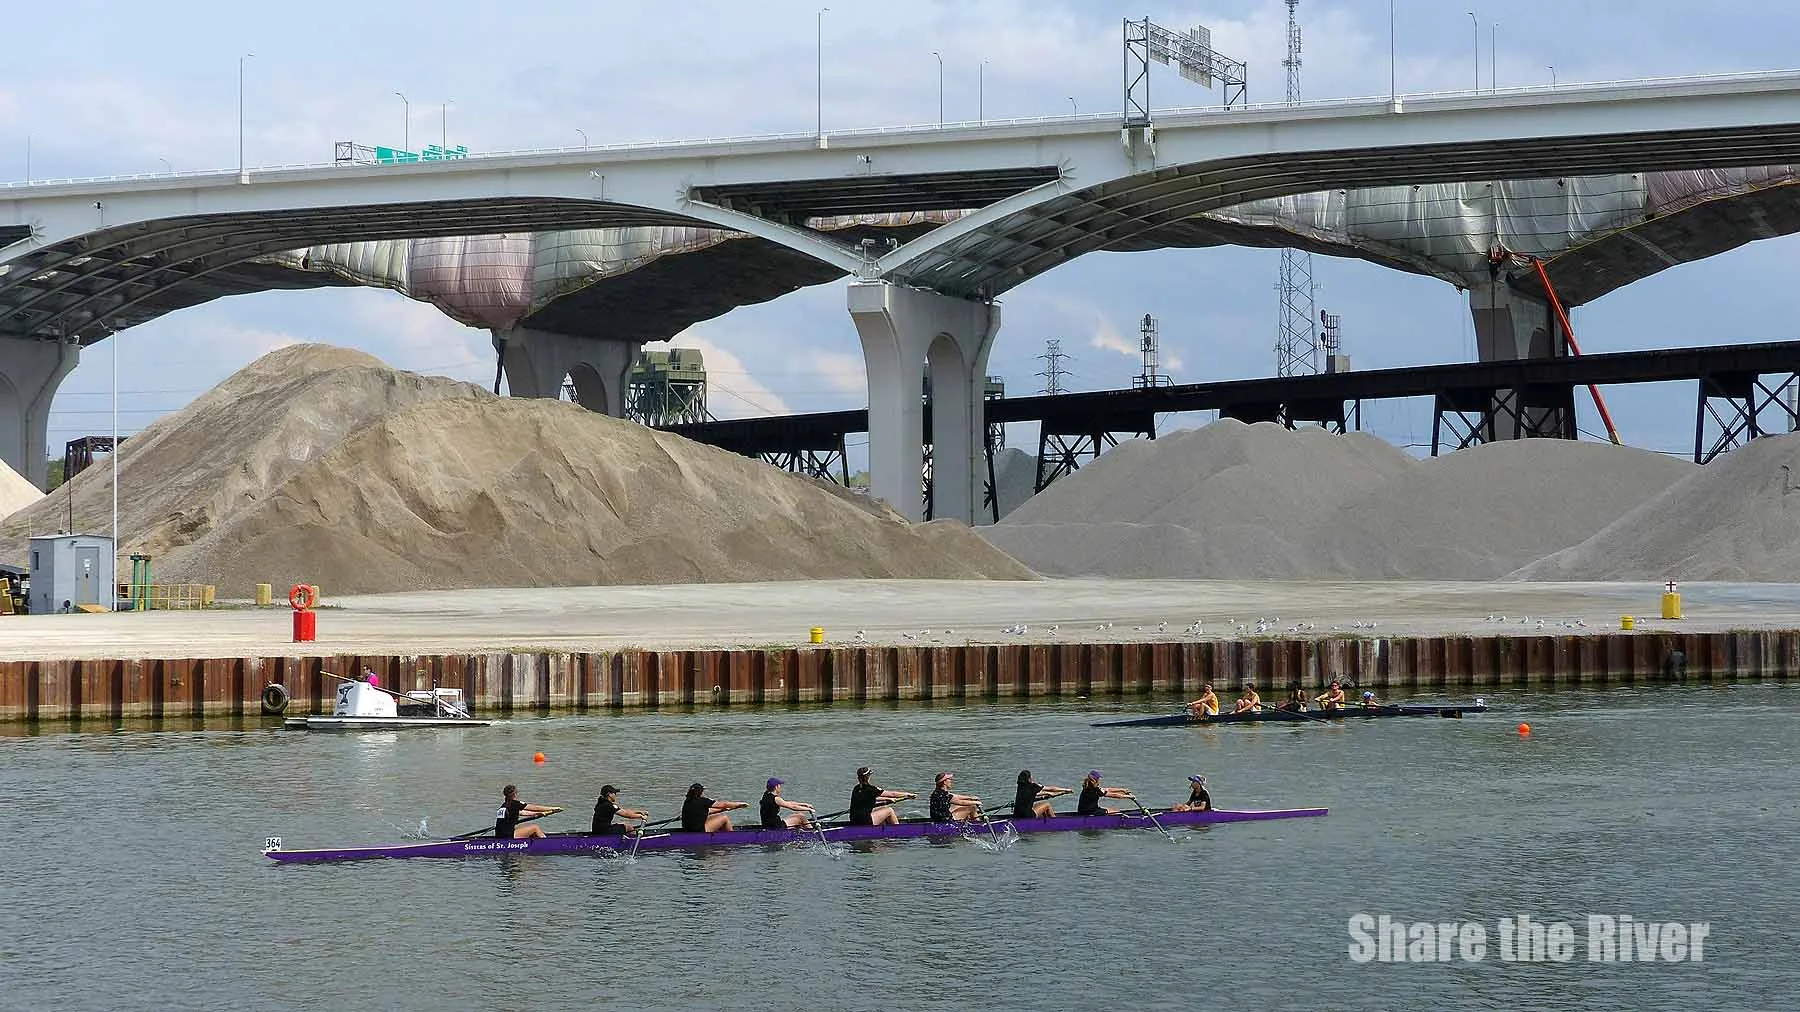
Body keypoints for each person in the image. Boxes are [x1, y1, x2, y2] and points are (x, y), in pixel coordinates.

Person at [849, 766, 915, 827]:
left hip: (853, 820)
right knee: (889, 810)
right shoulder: (872, 789)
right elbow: (893, 794)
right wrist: (908, 795)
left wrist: (889, 799)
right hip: (864, 822)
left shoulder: (856, 788)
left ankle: (883, 828)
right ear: (868, 777)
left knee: (882, 808)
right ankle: (898, 830)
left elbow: (870, 798)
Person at [495, 784, 560, 840]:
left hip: (499, 835)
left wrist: (541, 813)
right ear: (515, 794)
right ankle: (547, 843)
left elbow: (523, 812)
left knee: (524, 828)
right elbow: (535, 808)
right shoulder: (515, 804)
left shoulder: (504, 806)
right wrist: (553, 808)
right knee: (535, 827)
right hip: (507, 836)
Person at [680, 783, 748, 833]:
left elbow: (707, 811)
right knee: (724, 818)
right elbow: (723, 804)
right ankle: (732, 837)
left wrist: (731, 808)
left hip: (687, 830)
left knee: (713, 816)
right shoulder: (703, 801)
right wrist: (740, 803)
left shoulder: (688, 801)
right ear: (700, 792)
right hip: (699, 831)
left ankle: (722, 832)